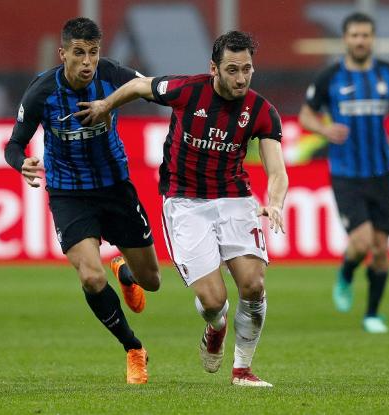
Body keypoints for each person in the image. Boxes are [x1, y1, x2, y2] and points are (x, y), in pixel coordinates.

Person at [76, 31, 288, 387]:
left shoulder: (262, 111)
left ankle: (242, 371)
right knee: (213, 301)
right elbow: (140, 86)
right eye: (232, 69)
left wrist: (275, 202)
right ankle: (215, 328)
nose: (240, 78)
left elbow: (277, 170)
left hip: (234, 199)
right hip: (185, 202)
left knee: (253, 285)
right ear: (214, 69)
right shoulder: (187, 91)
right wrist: (105, 106)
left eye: (247, 70)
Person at [4, 17, 161, 384]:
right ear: (63, 54)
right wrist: (20, 163)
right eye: (79, 53)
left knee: (151, 281)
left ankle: (124, 270)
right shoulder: (42, 92)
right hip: (68, 193)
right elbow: (14, 143)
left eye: (93, 52)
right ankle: (133, 348)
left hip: (115, 187)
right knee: (91, 276)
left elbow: (151, 88)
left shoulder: (112, 75)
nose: (87, 61)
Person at [298, 12, 389, 334]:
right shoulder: (330, 77)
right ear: (345, 39)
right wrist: (325, 130)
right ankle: (346, 273)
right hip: (346, 174)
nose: (360, 40)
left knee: (382, 248)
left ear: (372, 38)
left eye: (365, 35)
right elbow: (305, 116)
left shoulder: (387, 73)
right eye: (354, 35)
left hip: (382, 173)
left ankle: (372, 314)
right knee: (361, 242)